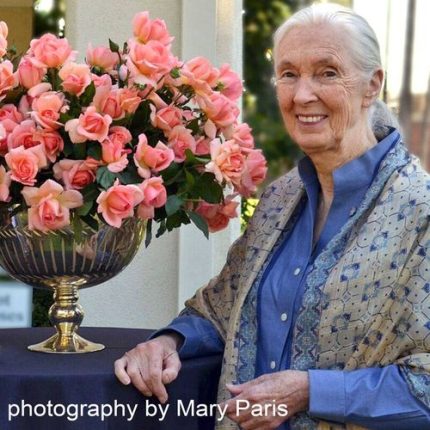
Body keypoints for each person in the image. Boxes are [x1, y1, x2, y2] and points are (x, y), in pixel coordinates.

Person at [115, 3, 430, 429]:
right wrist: (168, 341)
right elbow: (221, 308)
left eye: (328, 72)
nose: (302, 95)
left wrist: (310, 391)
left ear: (372, 85)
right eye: (288, 74)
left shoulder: (420, 211)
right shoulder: (280, 199)